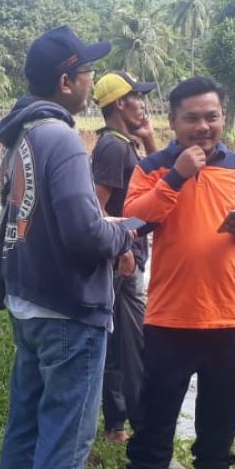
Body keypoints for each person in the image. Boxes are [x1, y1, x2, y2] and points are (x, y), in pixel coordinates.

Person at [0, 27, 136, 469]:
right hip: (68, 311)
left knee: (25, 426)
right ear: (66, 82)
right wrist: (128, 229)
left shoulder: (19, 136)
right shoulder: (60, 138)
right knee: (64, 441)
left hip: (27, 302)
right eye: (85, 75)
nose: (88, 85)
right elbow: (85, 231)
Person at [104, 76, 235, 469]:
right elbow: (136, 219)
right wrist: (178, 175)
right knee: (155, 412)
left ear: (223, 118)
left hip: (232, 317)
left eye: (211, 117)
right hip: (170, 316)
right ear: (173, 121)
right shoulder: (155, 167)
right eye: (192, 118)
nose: (203, 126)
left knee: (221, 415)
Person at [89, 71, 157, 443]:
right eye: (136, 97)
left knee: (122, 339)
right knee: (128, 342)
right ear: (119, 104)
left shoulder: (123, 143)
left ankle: (120, 424)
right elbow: (97, 209)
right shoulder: (113, 148)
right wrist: (125, 247)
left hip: (126, 256)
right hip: (123, 259)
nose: (142, 103)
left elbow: (159, 179)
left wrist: (148, 138)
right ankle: (130, 425)